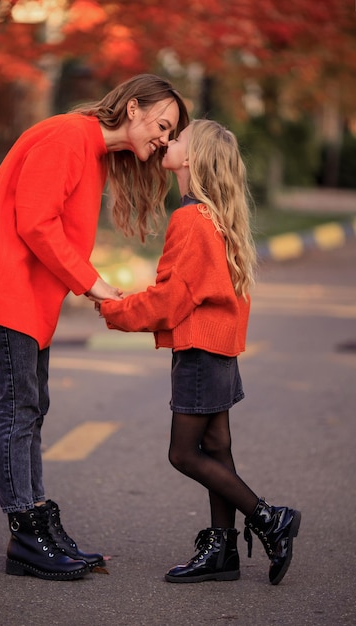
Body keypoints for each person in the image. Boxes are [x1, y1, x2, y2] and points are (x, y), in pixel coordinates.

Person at [0, 74, 189, 581]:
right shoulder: (68, 136)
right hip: (6, 286)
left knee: (33, 406)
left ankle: (37, 517)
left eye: (171, 133)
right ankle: (26, 532)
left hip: (30, 294)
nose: (164, 138)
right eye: (162, 125)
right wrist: (93, 283)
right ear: (134, 108)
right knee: (17, 408)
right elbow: (36, 221)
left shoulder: (90, 149)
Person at [96, 119, 301, 586]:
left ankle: (270, 518)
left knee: (184, 454)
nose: (169, 139)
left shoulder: (190, 218)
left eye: (179, 138)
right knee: (217, 449)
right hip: (220, 350)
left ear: (191, 159)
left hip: (200, 352)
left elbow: (170, 301)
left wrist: (116, 308)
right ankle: (222, 552)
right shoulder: (216, 217)